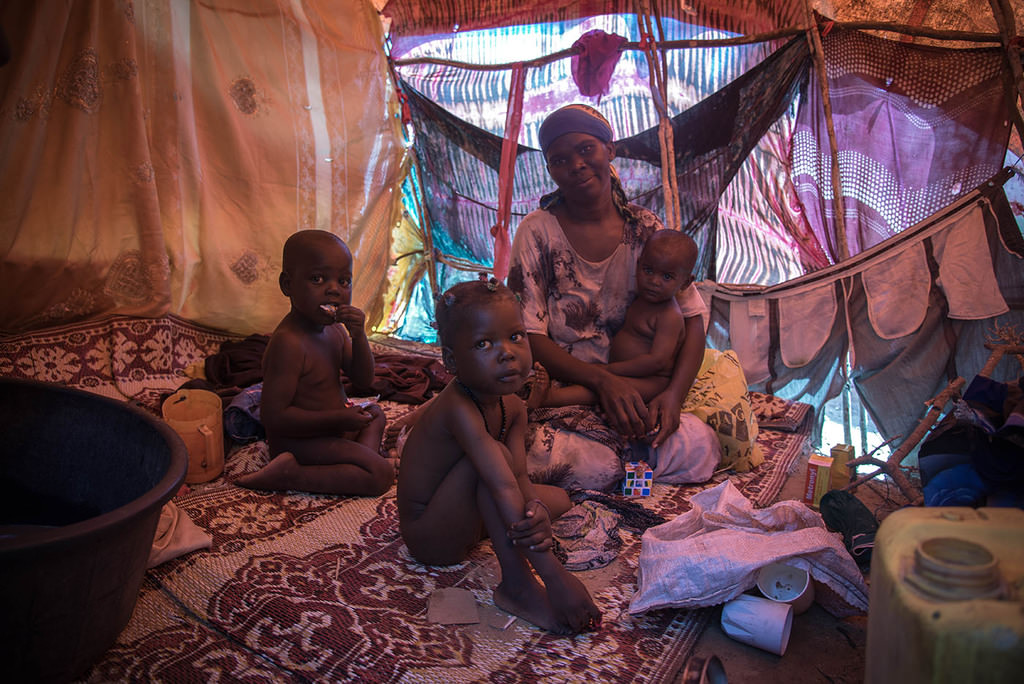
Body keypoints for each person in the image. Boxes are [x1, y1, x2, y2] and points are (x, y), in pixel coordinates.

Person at [506, 103, 720, 489]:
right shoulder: (537, 232)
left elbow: (692, 317)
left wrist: (673, 396)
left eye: (587, 149)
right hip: (566, 388)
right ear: (551, 170)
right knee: (547, 451)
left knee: (701, 446)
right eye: (560, 159)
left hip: (637, 387)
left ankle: (615, 463)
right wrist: (602, 384)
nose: (576, 164)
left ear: (610, 149)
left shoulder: (645, 229)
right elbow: (528, 334)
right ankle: (617, 464)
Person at [397, 279, 602, 635]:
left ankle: (511, 529)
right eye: (483, 344)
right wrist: (554, 575)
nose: (506, 352)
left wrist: (535, 512)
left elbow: (520, 480)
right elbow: (502, 479)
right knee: (492, 466)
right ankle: (518, 585)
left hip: (468, 512)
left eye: (516, 336)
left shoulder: (514, 407)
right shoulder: (458, 408)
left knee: (557, 498)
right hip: (432, 536)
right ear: (451, 361)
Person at [236, 229, 395, 495]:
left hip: (333, 430)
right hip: (300, 441)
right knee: (381, 476)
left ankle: (352, 467)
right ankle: (291, 474)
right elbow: (273, 417)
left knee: (375, 414)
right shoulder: (289, 343)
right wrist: (338, 418)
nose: (334, 290)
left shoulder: (335, 330)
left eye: (344, 281)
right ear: (288, 285)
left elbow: (363, 381)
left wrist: (359, 336)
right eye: (317, 279)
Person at [525, 228, 697, 409]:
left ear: (685, 283)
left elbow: (657, 361)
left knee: (595, 392)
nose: (654, 281)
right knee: (596, 385)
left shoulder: (669, 316)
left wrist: (610, 371)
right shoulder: (644, 299)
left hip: (652, 382)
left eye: (667, 276)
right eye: (648, 270)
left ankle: (551, 398)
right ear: (638, 264)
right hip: (624, 372)